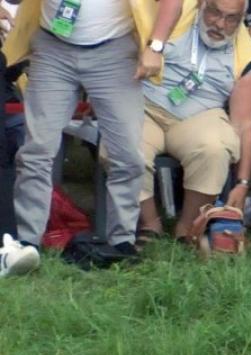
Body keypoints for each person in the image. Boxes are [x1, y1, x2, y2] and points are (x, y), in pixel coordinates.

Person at [0, 0, 182, 276]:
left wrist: (155, 46)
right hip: (53, 46)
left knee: (128, 156)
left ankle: (121, 243)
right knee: (36, 152)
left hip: (115, 49)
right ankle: (26, 245)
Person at [135, 0, 251, 244]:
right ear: (201, 5)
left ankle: (188, 227)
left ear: (242, 19)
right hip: (146, 105)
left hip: (200, 114)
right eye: (214, 12)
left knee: (215, 147)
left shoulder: (248, 58)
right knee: (123, 143)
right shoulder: (174, 16)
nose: (220, 24)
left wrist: (243, 183)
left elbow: (245, 126)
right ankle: (149, 223)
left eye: (231, 19)